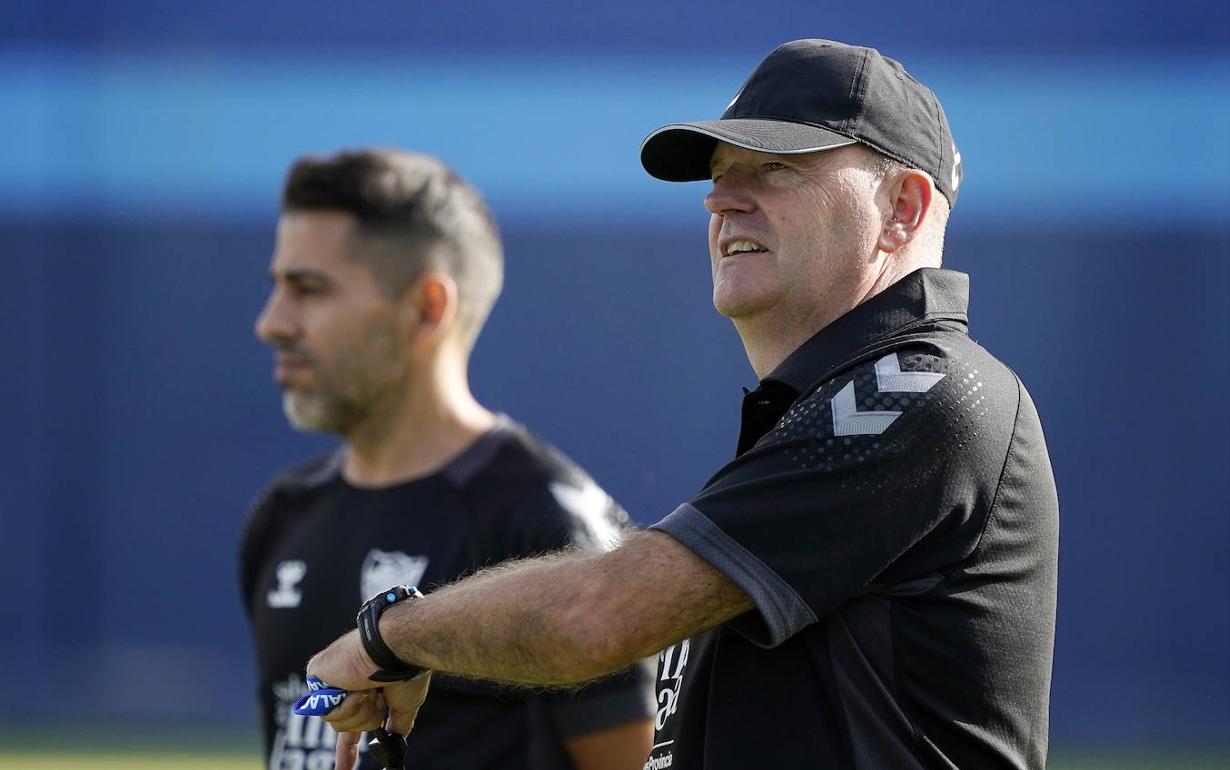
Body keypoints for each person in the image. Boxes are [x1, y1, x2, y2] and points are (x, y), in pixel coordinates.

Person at [306, 40, 1060, 770]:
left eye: (775, 167)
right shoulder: (839, 406)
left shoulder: (923, 387)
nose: (721, 197)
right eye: (722, 172)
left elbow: (596, 616)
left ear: (902, 207)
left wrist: (387, 635)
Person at [240, 148, 656, 770]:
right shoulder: (284, 514)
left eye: (309, 289)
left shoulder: (545, 523)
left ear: (427, 308)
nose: (271, 323)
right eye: (277, 287)